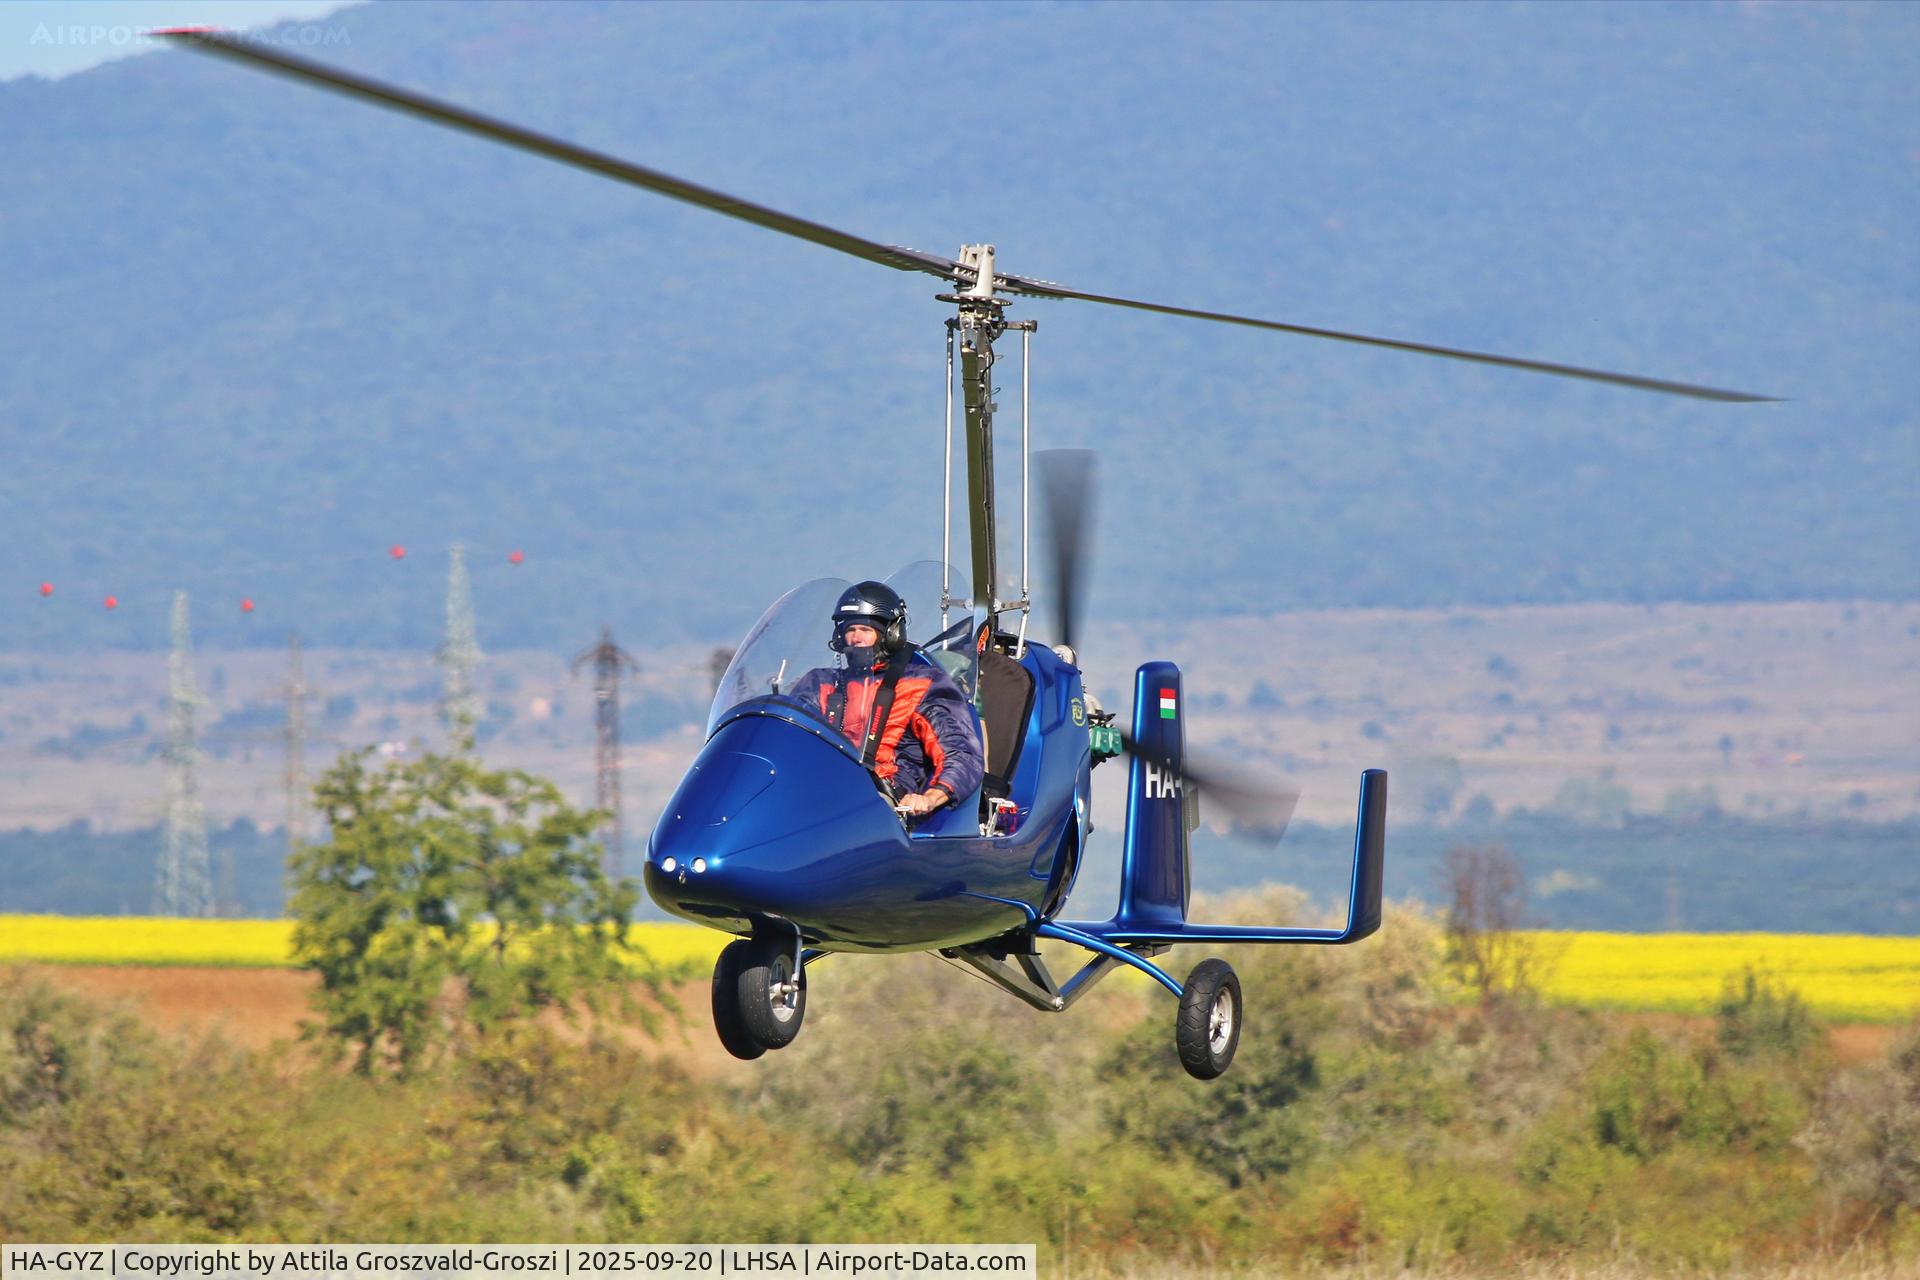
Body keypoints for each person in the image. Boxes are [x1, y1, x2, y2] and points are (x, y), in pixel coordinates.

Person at [786, 581, 983, 818]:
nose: (856, 638)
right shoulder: (819, 683)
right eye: (850, 630)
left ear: (891, 635)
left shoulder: (921, 684)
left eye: (865, 630)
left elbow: (961, 754)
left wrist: (930, 798)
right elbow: (786, 741)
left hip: (880, 802)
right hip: (817, 793)